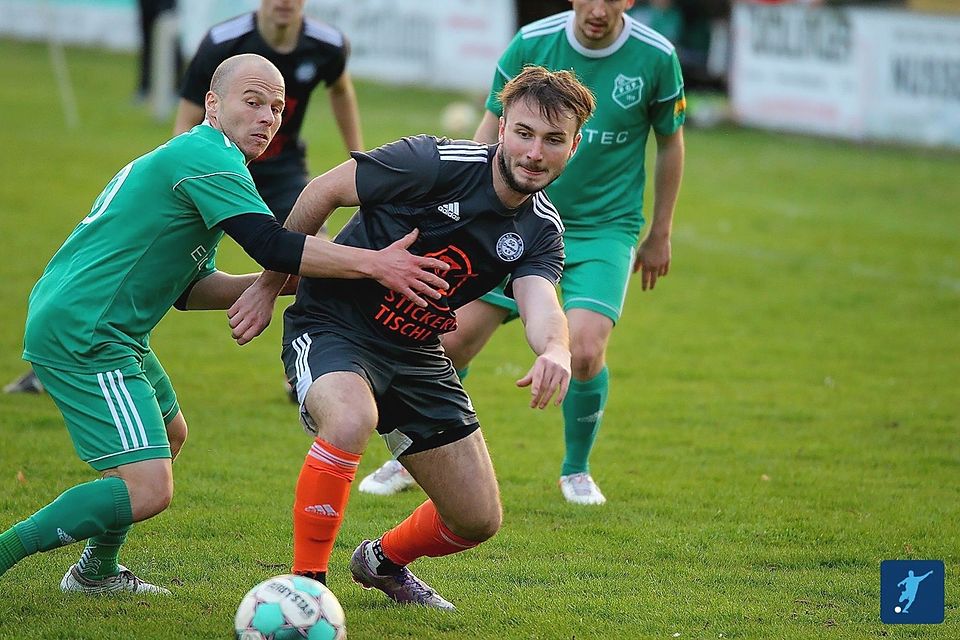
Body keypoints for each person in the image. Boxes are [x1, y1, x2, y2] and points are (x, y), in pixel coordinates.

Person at [0, 54, 447, 594]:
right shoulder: (209, 158)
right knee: (147, 489)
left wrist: (306, 283)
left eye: (277, 108)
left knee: (170, 433)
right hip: (86, 331)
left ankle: (95, 572)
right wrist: (374, 263)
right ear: (212, 104)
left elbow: (190, 289)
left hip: (107, 327)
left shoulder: (205, 158)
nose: (267, 117)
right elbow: (271, 244)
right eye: (253, 101)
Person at [227, 65, 596, 608]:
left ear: (573, 146)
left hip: (416, 352)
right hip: (335, 323)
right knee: (352, 418)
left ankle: (381, 562)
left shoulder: (541, 229)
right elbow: (321, 192)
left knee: (476, 518)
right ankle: (307, 589)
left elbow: (541, 302)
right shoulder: (433, 163)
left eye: (552, 140)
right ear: (501, 130)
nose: (534, 152)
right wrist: (268, 283)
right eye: (523, 133)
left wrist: (558, 349)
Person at [359, 0, 686, 506]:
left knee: (583, 349)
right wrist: (465, 208)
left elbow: (670, 142)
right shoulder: (532, 43)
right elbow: (491, 127)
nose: (598, 9)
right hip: (512, 217)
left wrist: (660, 231)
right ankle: (412, 453)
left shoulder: (656, 57)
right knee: (451, 340)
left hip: (602, 227)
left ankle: (576, 469)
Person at [174, 0, 363, 225]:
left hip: (282, 168)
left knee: (313, 248)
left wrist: (358, 159)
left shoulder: (328, 45)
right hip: (218, 163)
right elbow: (186, 121)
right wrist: (188, 172)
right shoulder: (221, 43)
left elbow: (341, 91)